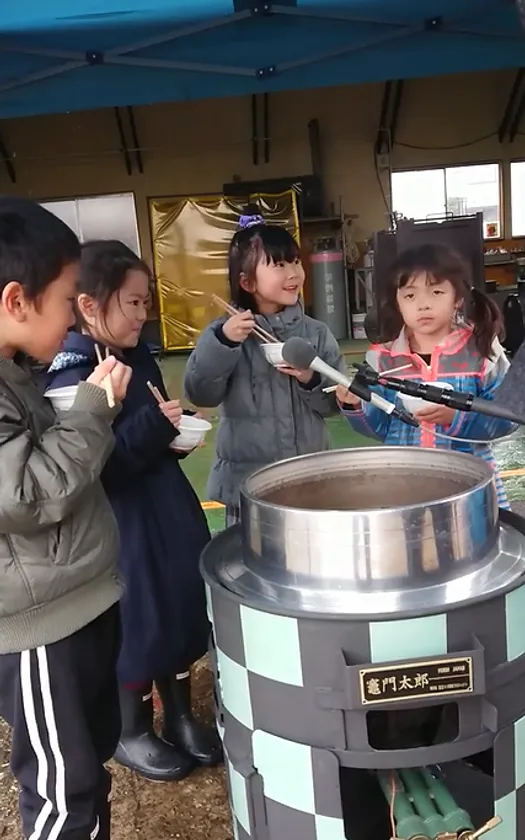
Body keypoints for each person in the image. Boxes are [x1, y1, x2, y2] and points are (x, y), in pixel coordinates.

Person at [44, 240, 222, 783]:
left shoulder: (135, 354)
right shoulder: (72, 373)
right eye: (133, 302)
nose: (143, 314)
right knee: (139, 617)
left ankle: (181, 715)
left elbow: (149, 428)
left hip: (165, 503)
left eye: (146, 302)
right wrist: (152, 428)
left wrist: (174, 433)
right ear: (89, 305)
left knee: (179, 599)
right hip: (123, 520)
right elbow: (96, 467)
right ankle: (131, 727)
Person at [0, 197, 132, 840]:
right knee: (63, 791)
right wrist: (90, 411)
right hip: (39, 627)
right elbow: (24, 497)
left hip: (72, 605)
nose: (75, 317)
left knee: (84, 770)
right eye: (65, 299)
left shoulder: (15, 372)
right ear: (16, 301)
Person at [184, 208, 346, 524]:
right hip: (248, 488)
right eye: (279, 265)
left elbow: (333, 404)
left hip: (308, 480)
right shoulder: (223, 333)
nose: (294, 273)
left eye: (295, 261)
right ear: (247, 282)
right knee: (249, 554)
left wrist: (310, 378)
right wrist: (225, 342)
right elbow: (201, 393)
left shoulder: (315, 333)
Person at [337, 243, 513, 508]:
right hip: (406, 487)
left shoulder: (482, 352)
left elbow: (506, 416)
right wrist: (354, 404)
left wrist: (456, 417)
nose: (423, 304)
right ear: (397, 302)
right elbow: (381, 427)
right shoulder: (383, 358)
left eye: (437, 292)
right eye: (410, 295)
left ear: (458, 298)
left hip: (469, 487)